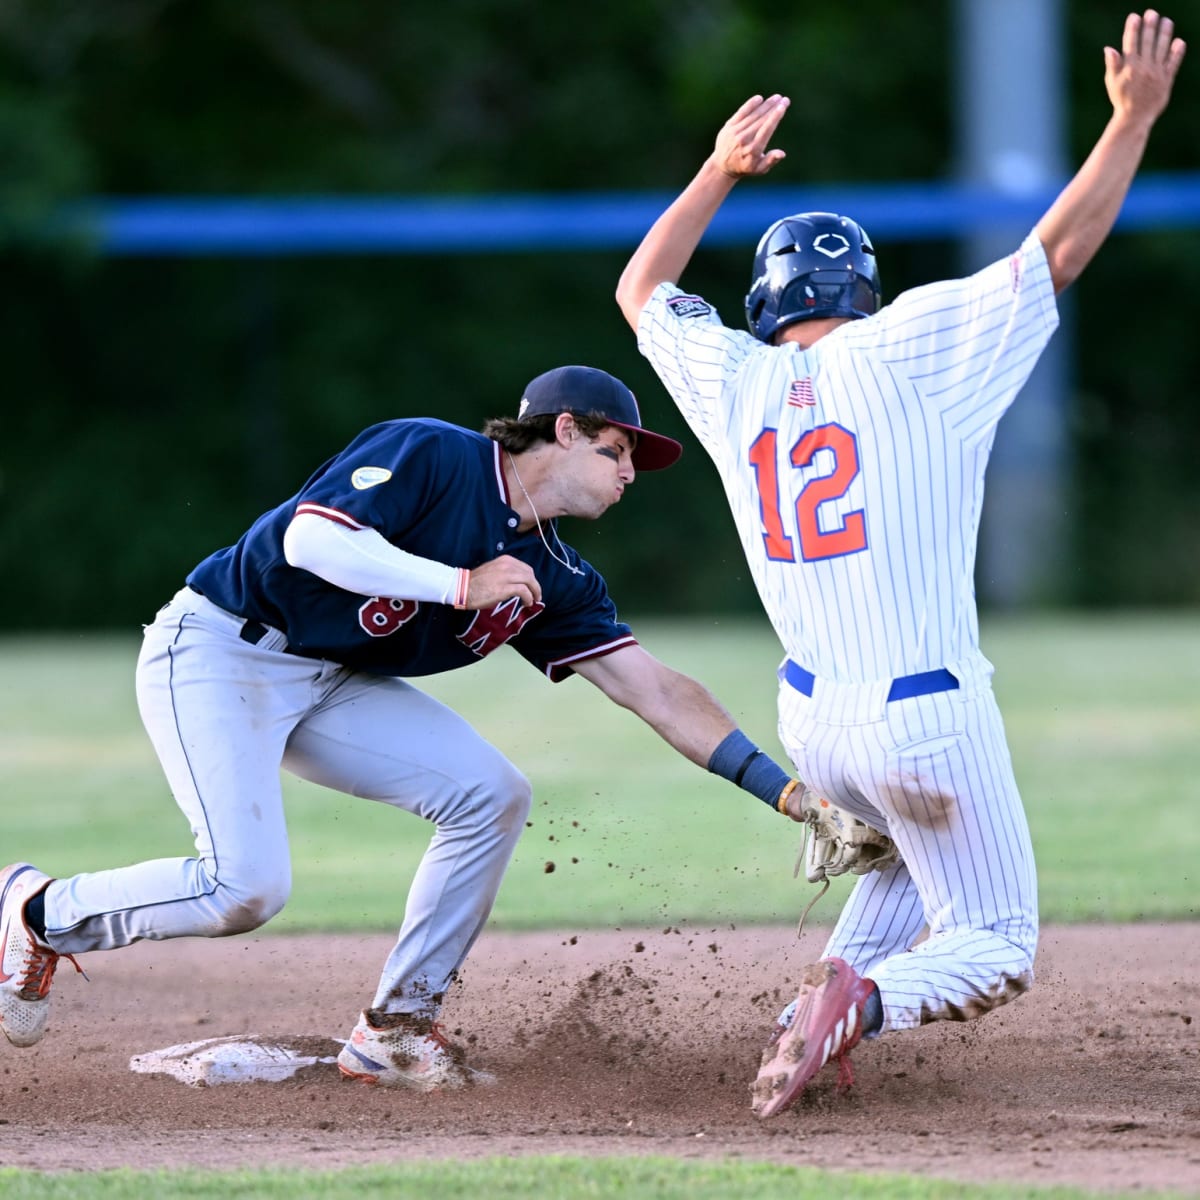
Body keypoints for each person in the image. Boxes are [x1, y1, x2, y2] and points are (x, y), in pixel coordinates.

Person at [615, 10, 1185, 1118]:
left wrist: (716, 170)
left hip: (816, 726)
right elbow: (1057, 252)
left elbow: (641, 290)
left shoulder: (731, 377)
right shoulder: (912, 343)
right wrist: (1132, 122)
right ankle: (858, 1007)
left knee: (889, 866)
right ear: (859, 294)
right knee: (996, 939)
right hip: (927, 715)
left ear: (769, 303)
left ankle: (806, 1024)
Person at [0, 363, 810, 1089]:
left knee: (489, 794)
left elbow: (657, 691)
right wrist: (460, 585)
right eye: (618, 450)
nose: (633, 472)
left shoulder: (556, 577)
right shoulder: (437, 454)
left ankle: (395, 1029)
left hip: (333, 681)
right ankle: (40, 912)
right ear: (564, 430)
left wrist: (788, 794)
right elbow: (309, 538)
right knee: (243, 890)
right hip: (222, 650)